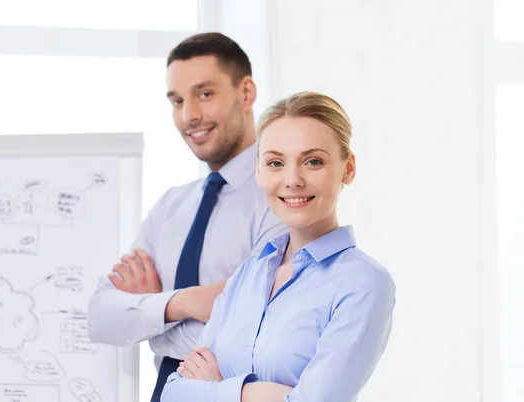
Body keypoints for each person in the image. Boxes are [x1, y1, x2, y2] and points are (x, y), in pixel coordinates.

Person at [86, 32, 286, 402]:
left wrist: (149, 315)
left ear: (246, 93)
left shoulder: (281, 197)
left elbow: (262, 336)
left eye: (204, 94)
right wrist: (183, 302)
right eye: (177, 100)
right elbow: (99, 318)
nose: (188, 115)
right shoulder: (170, 207)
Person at [161, 91, 397, 402]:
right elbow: (174, 392)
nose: (292, 179)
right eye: (275, 162)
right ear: (258, 172)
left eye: (313, 161)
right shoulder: (250, 271)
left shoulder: (364, 284)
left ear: (348, 168)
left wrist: (217, 388)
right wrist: (255, 393)